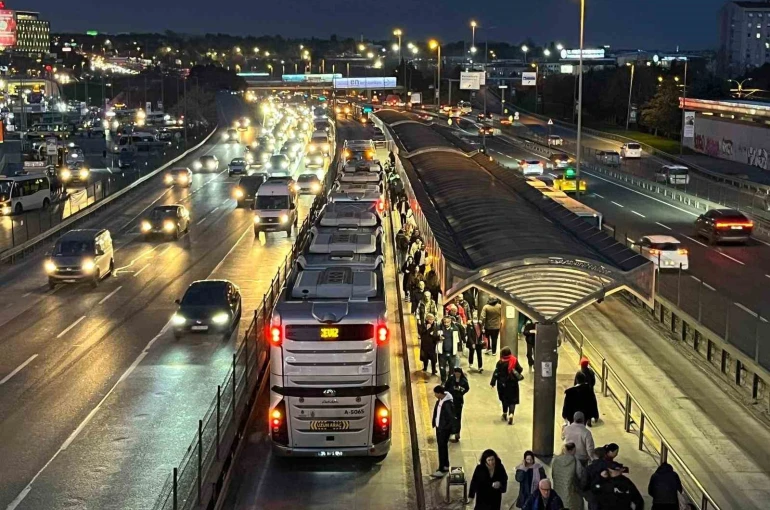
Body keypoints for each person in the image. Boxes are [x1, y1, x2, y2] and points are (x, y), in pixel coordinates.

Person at [490, 347, 523, 424]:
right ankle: (511, 414)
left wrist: (493, 382)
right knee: (512, 400)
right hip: (512, 384)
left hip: (502, 385)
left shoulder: (500, 362)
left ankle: (505, 413)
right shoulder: (514, 360)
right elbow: (520, 369)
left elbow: (496, 373)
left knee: (504, 399)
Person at [551, 442, 584, 510]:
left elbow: (553, 474)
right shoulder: (575, 460)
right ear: (571, 450)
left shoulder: (556, 460)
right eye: (574, 450)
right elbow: (579, 474)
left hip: (558, 488)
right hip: (571, 490)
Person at [430, 385, 454, 478]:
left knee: (442, 448)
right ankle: (445, 465)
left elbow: (451, 418)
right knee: (442, 447)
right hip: (439, 427)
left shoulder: (447, 404)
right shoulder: (440, 401)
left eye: (435, 393)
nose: (435, 395)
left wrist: (445, 428)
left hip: (443, 429)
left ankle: (441, 468)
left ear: (439, 393)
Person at [443, 367, 470, 441]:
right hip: (451, 401)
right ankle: (450, 431)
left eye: (459, 373)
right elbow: (446, 387)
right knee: (450, 416)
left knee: (457, 417)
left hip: (458, 401)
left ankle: (457, 433)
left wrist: (461, 390)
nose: (457, 375)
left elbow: (467, 388)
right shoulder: (451, 379)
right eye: (456, 373)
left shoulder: (464, 381)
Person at [437, 316, 460, 382]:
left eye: (448, 322)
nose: (446, 324)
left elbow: (459, 339)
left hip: (451, 352)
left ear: (450, 322)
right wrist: (438, 338)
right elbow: (433, 337)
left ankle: (450, 381)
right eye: (445, 322)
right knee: (442, 368)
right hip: (442, 353)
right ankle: (443, 381)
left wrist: (459, 349)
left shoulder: (455, 328)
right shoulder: (439, 328)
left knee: (452, 368)